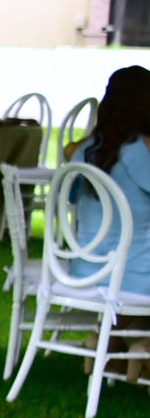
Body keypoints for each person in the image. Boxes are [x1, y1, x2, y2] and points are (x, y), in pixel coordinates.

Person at [68, 64, 150, 287]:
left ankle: (115, 323)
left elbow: (70, 197)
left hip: (84, 272)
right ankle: (118, 322)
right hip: (134, 278)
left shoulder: (84, 150)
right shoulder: (144, 149)